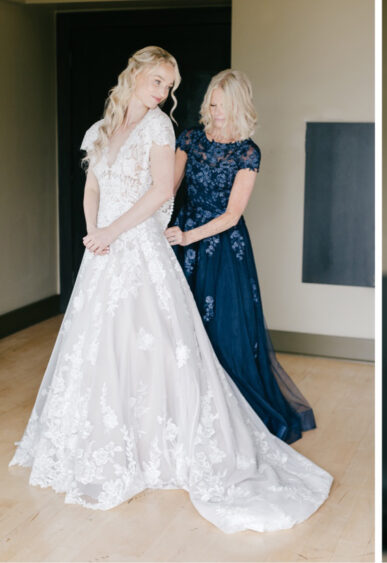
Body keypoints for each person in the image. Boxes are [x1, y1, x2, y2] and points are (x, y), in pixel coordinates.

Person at [9, 46, 331, 533]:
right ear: (135, 75)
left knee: (165, 342)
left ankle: (162, 440)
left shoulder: (165, 129)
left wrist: (116, 233)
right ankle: (99, 438)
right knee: (99, 345)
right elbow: (94, 186)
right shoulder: (103, 130)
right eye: (158, 82)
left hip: (158, 245)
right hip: (108, 250)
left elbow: (164, 192)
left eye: (170, 87)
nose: (165, 94)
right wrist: (94, 232)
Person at [163, 69, 314, 444]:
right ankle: (184, 408)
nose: (215, 113)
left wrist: (187, 237)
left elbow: (231, 215)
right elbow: (169, 188)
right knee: (180, 325)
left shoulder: (248, 151)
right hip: (182, 236)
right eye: (212, 105)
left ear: (239, 108)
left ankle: (227, 413)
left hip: (222, 246)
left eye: (223, 107)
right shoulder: (190, 139)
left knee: (224, 330)